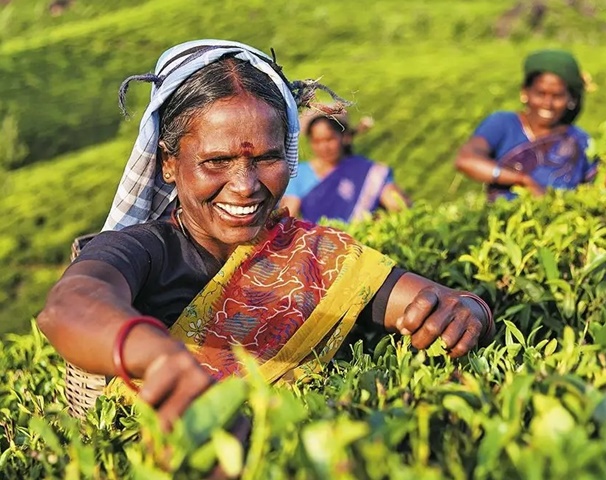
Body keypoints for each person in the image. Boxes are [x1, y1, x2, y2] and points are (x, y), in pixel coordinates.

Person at [37, 39, 494, 430]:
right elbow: (69, 306)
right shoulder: (146, 248)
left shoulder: (314, 255)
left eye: (266, 159)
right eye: (216, 161)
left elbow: (432, 300)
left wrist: (467, 312)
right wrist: (156, 358)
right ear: (170, 163)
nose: (245, 185)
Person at [455, 49, 598, 202]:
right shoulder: (503, 123)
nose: (547, 104)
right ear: (525, 92)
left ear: (571, 99)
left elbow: (594, 192)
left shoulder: (580, 141)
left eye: (557, 96)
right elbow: (466, 160)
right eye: (540, 94)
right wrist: (523, 180)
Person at [279, 109, 411, 223]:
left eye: (329, 139)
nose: (323, 147)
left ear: (344, 137)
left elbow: (398, 205)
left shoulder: (365, 171)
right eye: (317, 141)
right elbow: (289, 216)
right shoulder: (299, 174)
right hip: (319, 245)